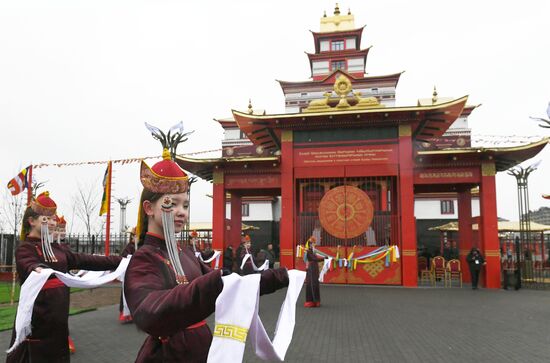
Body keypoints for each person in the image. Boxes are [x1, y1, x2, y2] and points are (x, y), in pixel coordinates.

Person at [123, 123, 289, 362]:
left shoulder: (186, 252)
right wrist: (213, 281)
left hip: (201, 349)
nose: (182, 212)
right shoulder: (144, 259)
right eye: (171, 203)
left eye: (185, 205)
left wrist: (278, 277)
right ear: (149, 208)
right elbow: (149, 313)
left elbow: (229, 285)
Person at [7, 191, 123, 363]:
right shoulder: (25, 249)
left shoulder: (60, 250)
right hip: (36, 322)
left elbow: (88, 260)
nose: (53, 222)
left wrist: (121, 260)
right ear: (31, 221)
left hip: (58, 322)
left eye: (54, 218)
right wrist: (38, 268)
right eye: (47, 218)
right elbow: (28, 263)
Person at [118, 227, 137, 323]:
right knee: (126, 294)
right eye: (134, 236)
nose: (136, 238)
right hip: (129, 273)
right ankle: (125, 315)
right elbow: (123, 257)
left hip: (136, 275)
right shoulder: (129, 247)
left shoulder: (139, 247)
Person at [304, 237, 324, 308]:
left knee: (315, 283)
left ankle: (316, 301)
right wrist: (323, 258)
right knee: (311, 283)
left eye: (314, 243)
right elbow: (313, 258)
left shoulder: (312, 251)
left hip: (314, 268)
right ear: (310, 244)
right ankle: (311, 301)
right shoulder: (308, 251)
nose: (314, 244)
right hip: (311, 269)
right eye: (313, 243)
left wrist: (325, 258)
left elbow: (316, 259)